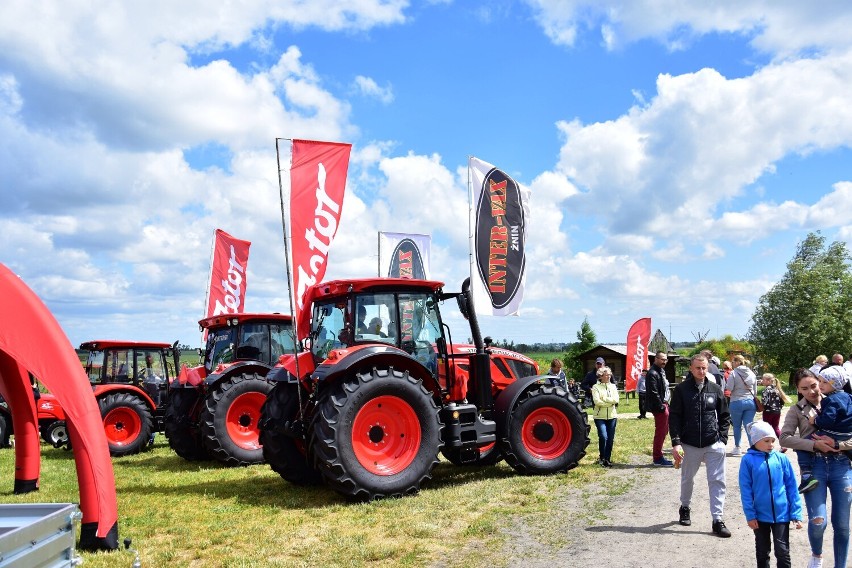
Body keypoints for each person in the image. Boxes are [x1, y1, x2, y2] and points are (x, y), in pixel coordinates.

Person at [780, 368, 852, 568]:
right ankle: (817, 556)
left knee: (843, 526)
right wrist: (813, 445)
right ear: (798, 390)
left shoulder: (843, 401)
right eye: (805, 388)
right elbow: (784, 438)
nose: (813, 391)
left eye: (814, 385)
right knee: (818, 521)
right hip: (814, 467)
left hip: (842, 466)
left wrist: (838, 445)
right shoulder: (796, 410)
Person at [670, 354, 732, 537]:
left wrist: (722, 439)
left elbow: (725, 415)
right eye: (698, 368)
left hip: (713, 443)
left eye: (704, 368)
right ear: (691, 368)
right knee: (687, 478)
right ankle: (685, 507)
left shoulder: (715, 389)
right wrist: (676, 442)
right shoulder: (681, 390)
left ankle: (717, 519)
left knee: (717, 481)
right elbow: (674, 417)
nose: (701, 371)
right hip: (689, 443)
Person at [739, 421, 803, 568]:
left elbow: (792, 486)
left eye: (773, 440)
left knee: (782, 551)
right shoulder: (747, 460)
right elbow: (746, 490)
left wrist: (796, 513)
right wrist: (750, 515)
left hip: (782, 515)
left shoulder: (781, 459)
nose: (771, 444)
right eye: (766, 441)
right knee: (762, 551)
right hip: (760, 516)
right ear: (755, 441)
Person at [727, 354, 759, 456]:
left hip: (736, 401)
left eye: (733, 362)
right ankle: (752, 446)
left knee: (736, 426)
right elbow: (755, 391)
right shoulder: (752, 373)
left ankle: (737, 447)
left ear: (737, 362)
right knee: (749, 426)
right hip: (750, 402)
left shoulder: (733, 373)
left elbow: (729, 388)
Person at [645, 351, 672, 466]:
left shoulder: (661, 371)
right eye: (662, 359)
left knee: (664, 431)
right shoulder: (652, 373)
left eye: (665, 359)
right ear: (655, 359)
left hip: (665, 404)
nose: (664, 361)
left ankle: (659, 455)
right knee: (660, 432)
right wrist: (661, 407)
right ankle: (657, 458)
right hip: (660, 406)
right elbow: (653, 392)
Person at [591, 365, 619, 467]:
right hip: (599, 417)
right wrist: (609, 402)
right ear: (601, 376)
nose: (609, 376)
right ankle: (602, 456)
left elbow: (616, 400)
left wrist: (605, 399)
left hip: (612, 416)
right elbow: (597, 402)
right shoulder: (595, 387)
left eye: (609, 375)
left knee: (610, 438)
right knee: (603, 436)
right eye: (606, 375)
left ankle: (607, 459)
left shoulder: (613, 386)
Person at [760, 373, 791, 443]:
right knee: (776, 427)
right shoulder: (777, 389)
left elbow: (764, 402)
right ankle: (783, 444)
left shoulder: (766, 390)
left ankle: (767, 444)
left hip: (768, 411)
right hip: (777, 411)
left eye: (763, 379)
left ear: (768, 381)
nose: (762, 381)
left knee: (766, 428)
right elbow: (782, 402)